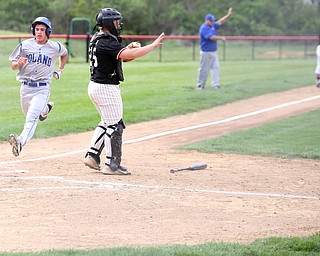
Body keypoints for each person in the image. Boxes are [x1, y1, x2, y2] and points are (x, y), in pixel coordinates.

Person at [83, 7, 165, 175]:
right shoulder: (106, 41)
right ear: (107, 23)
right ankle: (111, 165)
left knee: (107, 122)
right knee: (115, 125)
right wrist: (153, 46)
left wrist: (128, 50)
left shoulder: (99, 38)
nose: (118, 24)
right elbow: (127, 53)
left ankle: (92, 155)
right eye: (115, 21)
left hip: (96, 86)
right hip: (106, 88)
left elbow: (121, 56)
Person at [8, 17, 68, 157]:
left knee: (31, 118)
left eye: (42, 29)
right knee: (29, 114)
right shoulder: (25, 45)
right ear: (33, 31)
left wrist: (60, 69)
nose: (39, 32)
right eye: (37, 29)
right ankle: (45, 109)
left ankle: (20, 141)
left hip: (42, 88)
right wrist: (18, 64)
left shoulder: (55, 46)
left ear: (48, 31)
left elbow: (64, 54)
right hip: (25, 88)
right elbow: (13, 66)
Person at [196, 7, 232, 90]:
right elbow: (211, 37)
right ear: (206, 20)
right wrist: (221, 38)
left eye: (213, 20)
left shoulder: (212, 26)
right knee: (204, 69)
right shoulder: (204, 28)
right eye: (211, 20)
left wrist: (228, 15)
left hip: (213, 51)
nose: (212, 22)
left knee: (216, 68)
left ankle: (215, 85)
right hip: (206, 52)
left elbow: (220, 21)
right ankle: (200, 85)